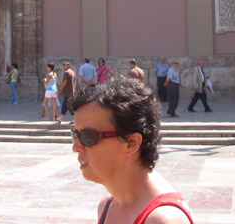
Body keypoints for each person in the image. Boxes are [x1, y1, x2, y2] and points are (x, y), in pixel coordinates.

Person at [70, 77, 194, 224]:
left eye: (87, 136)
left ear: (131, 143)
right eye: (75, 134)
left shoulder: (162, 219)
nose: (76, 147)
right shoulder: (107, 207)